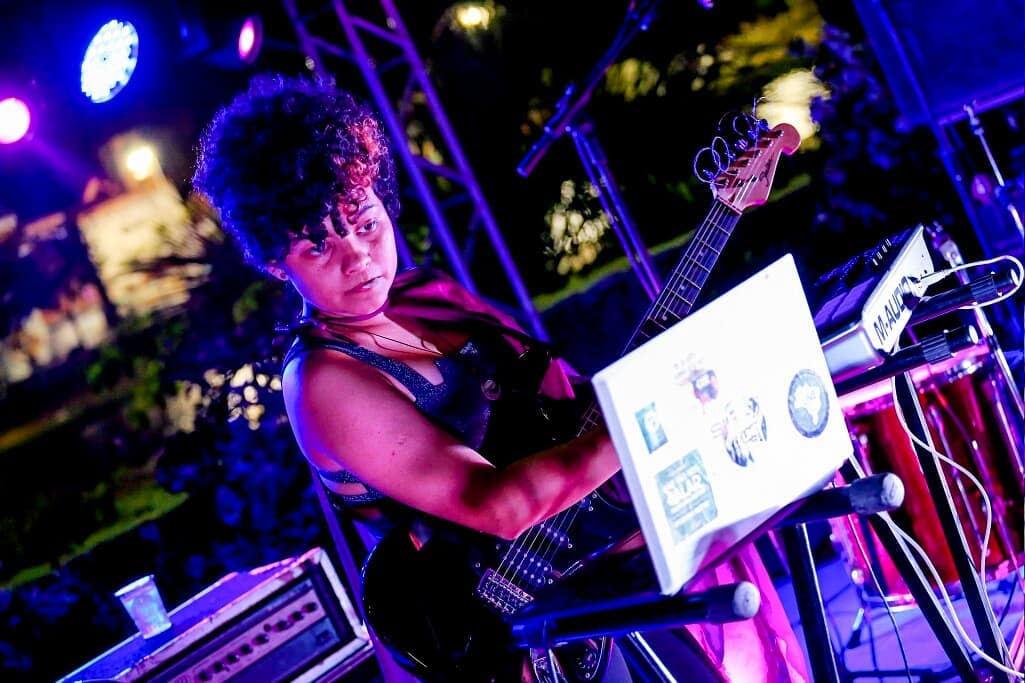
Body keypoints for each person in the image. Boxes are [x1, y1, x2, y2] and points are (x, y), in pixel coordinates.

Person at [193, 74, 810, 683]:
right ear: (276, 263)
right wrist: (658, 409)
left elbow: (571, 405)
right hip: (527, 638)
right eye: (317, 247)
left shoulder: (428, 296)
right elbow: (499, 506)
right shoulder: (323, 380)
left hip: (624, 556)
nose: (357, 256)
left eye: (366, 222)